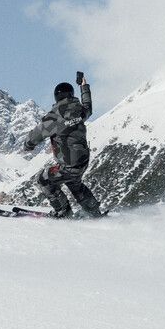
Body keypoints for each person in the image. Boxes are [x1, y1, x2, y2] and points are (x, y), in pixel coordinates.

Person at [24, 73, 103, 219]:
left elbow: (35, 136)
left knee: (43, 179)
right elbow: (88, 106)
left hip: (68, 165)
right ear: (71, 94)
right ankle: (94, 213)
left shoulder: (54, 117)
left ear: (56, 98)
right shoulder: (80, 111)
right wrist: (84, 86)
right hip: (82, 162)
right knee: (75, 184)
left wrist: (27, 145)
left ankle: (63, 211)